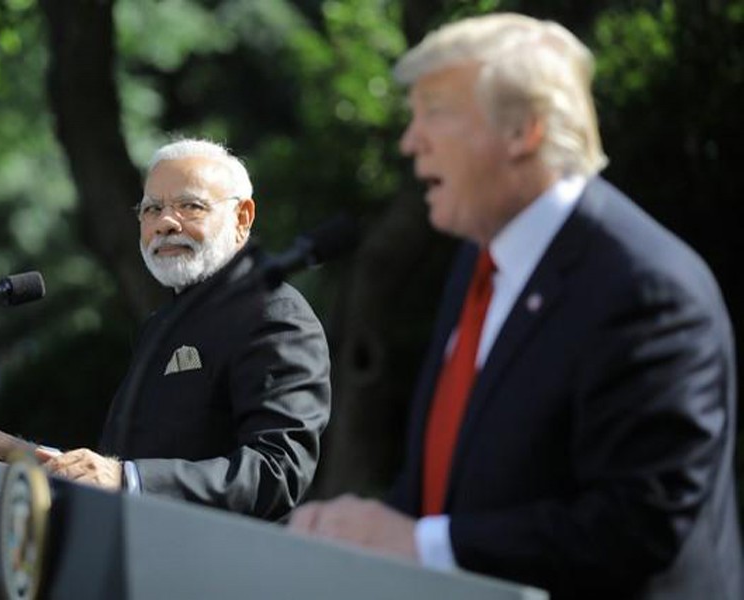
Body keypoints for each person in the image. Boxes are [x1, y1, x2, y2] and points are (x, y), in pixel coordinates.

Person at [288, 12, 742, 599]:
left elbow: (638, 525)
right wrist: (362, 533)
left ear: (523, 131)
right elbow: (445, 488)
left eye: (436, 112)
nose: (410, 139)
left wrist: (423, 544)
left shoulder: (647, 289)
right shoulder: (478, 261)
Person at [0, 138, 331, 521]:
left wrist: (127, 479)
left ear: (242, 217)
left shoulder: (274, 316)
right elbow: (120, 469)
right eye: (151, 209)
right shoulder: (162, 324)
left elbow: (278, 472)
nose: (165, 223)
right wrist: (24, 456)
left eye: (190, 206)